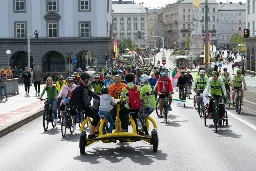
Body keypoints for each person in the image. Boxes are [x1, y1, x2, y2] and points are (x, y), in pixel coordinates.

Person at [75, 72, 100, 139]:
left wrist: (100, 98)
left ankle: (96, 131)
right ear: (84, 79)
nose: (88, 81)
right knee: (96, 117)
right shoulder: (79, 88)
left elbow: (91, 93)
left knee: (98, 113)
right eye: (87, 79)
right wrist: (81, 109)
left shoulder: (84, 87)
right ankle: (91, 134)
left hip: (87, 106)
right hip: (84, 107)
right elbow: (77, 100)